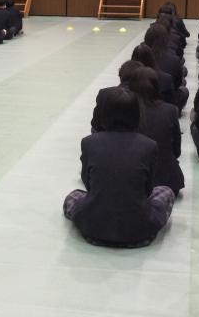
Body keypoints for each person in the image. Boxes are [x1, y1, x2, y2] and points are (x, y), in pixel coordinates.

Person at [63, 86, 175, 248]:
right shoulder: (149, 145)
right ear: (137, 114)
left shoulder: (89, 142)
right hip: (139, 231)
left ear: (105, 114)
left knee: (73, 196)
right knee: (166, 192)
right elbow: (148, 189)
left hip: (94, 228)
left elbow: (88, 183)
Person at [128, 67, 184, 193]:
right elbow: (176, 150)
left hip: (134, 181)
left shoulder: (125, 111)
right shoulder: (170, 110)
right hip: (166, 180)